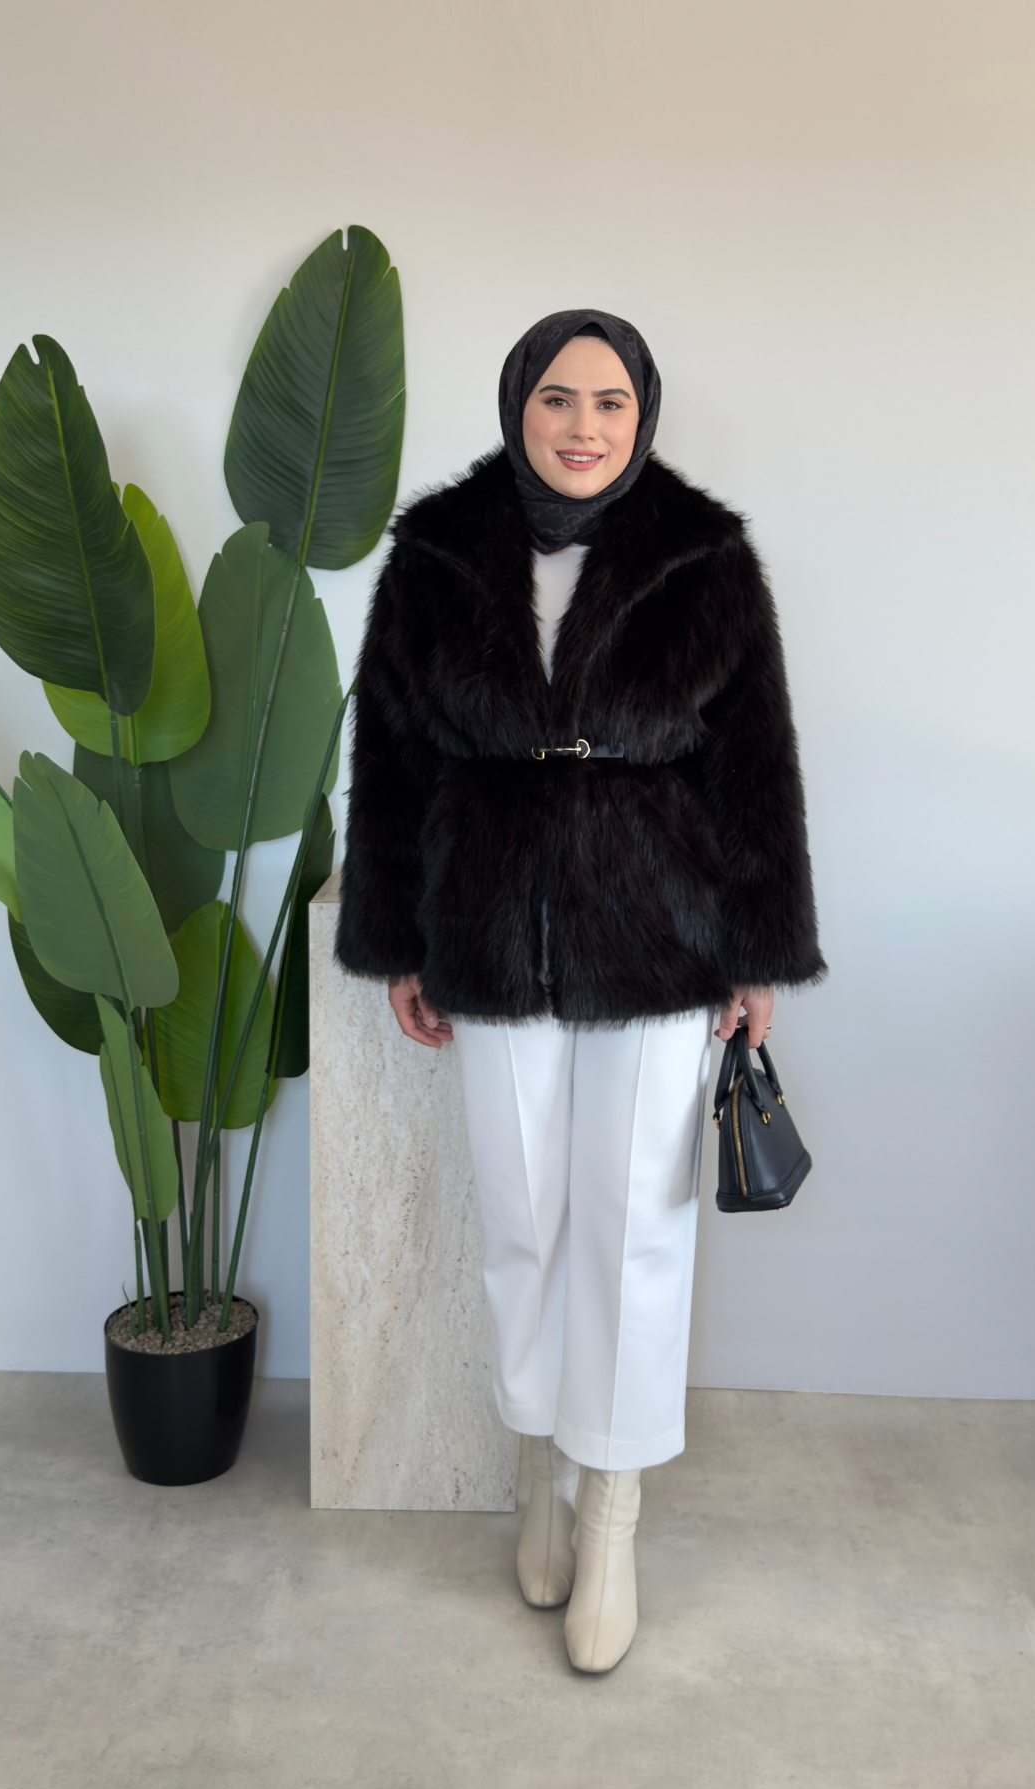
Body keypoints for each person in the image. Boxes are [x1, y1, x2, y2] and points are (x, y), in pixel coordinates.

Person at [334, 309, 825, 1672]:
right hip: (488, 934)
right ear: (518, 406)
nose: (584, 425)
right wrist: (397, 937)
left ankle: (611, 1514)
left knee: (634, 1231)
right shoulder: (436, 552)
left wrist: (759, 951)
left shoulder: (706, 557)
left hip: (662, 941)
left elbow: (758, 768)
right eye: (558, 397)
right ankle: (539, 1470)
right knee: (525, 1223)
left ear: (643, 413)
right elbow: (392, 760)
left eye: (611, 401)